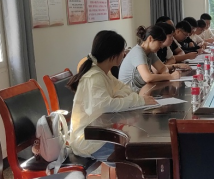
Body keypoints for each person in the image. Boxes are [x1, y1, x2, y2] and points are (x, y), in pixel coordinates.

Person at [67, 30, 156, 160]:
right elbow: (106, 106)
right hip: (89, 140)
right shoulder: (94, 77)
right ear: (112, 55)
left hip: (102, 132)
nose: (124, 54)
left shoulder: (103, 72)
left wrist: (118, 97)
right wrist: (140, 101)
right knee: (134, 155)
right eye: (122, 51)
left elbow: (125, 89)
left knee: (135, 146)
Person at [119, 25, 182, 91]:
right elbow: (147, 77)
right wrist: (170, 76)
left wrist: (165, 74)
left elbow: (163, 68)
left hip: (140, 90)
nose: (161, 46)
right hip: (129, 92)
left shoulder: (150, 53)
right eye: (160, 42)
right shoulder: (138, 52)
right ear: (150, 39)